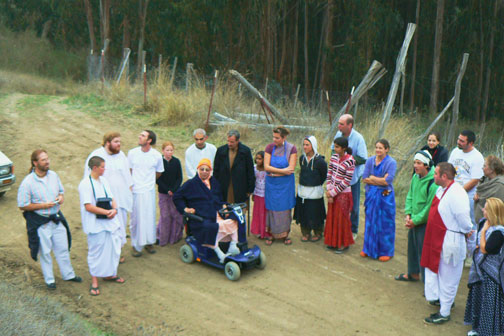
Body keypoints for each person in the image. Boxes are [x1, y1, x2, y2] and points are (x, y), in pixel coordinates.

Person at [17, 149, 82, 289]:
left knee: (63, 248)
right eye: (43, 160)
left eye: (47, 159)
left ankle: (68, 275)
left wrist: (60, 197)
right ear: (35, 163)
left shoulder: (53, 175)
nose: (47, 162)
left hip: (56, 218)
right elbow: (22, 205)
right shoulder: (27, 183)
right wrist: (43, 205)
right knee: (45, 252)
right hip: (41, 222)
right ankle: (49, 280)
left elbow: (61, 191)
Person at [421, 162, 473, 324]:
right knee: (437, 271)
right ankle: (441, 300)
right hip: (438, 237)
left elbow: (464, 221)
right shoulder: (441, 189)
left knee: (448, 276)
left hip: (451, 240)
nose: (433, 175)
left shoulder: (457, 193)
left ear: (444, 176)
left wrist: (468, 230)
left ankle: (444, 312)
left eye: (436, 173)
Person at [173, 159, 240, 263]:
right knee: (210, 226)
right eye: (202, 169)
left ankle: (233, 245)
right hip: (201, 216)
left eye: (207, 170)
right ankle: (219, 253)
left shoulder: (214, 182)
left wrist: (223, 205)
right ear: (198, 169)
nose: (204, 171)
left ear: (210, 171)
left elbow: (220, 198)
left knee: (234, 218)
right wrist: (185, 208)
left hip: (217, 212)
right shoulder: (191, 184)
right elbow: (177, 196)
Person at [79, 156, 125, 296]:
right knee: (96, 251)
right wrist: (107, 212)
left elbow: (112, 198)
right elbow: (88, 206)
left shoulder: (104, 181)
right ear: (94, 168)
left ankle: (109, 274)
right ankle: (94, 281)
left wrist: (114, 210)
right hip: (95, 224)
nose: (105, 169)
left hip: (109, 222)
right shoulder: (85, 184)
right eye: (102, 167)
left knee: (111, 248)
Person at [84, 131, 133, 262]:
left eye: (120, 142)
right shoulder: (96, 156)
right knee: (108, 229)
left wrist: (130, 188)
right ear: (107, 143)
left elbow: (127, 175)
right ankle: (107, 255)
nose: (119, 145)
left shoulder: (121, 155)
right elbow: (89, 180)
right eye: (116, 142)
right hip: (105, 202)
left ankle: (117, 253)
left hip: (120, 199)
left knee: (121, 227)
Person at [395, 150, 438, 283]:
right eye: (414, 162)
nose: (415, 165)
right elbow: (410, 196)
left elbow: (429, 207)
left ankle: (428, 283)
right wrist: (408, 214)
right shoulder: (415, 177)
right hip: (413, 219)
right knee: (412, 247)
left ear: (426, 165)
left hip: (424, 223)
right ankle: (413, 273)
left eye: (418, 163)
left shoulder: (433, 183)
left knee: (424, 252)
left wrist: (416, 220)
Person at [464, 197, 504, 336]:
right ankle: (476, 328)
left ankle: (486, 332)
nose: (483, 210)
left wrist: (484, 232)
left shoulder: (499, 232)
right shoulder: (482, 223)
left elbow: (485, 249)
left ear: (492, 212)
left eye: (486, 208)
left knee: (488, 305)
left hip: (490, 275)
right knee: (477, 299)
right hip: (479, 272)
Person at [128, 130, 164, 257]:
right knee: (136, 218)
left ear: (149, 140)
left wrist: (148, 182)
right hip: (136, 191)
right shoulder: (132, 153)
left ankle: (149, 242)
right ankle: (136, 245)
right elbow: (130, 170)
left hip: (148, 191)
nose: (139, 136)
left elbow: (159, 172)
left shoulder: (157, 155)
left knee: (149, 217)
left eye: (143, 135)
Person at [360, 139, 397, 262]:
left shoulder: (391, 163)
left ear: (386, 149)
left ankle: (386, 251)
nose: (378, 150)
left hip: (386, 195)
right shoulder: (370, 161)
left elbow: (387, 181)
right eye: (376, 147)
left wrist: (373, 178)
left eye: (381, 148)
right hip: (371, 195)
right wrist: (379, 180)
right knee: (370, 220)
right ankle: (368, 249)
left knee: (385, 223)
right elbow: (365, 178)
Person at [333, 114, 368, 240]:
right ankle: (338, 228)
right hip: (338, 177)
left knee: (353, 205)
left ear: (350, 125)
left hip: (352, 178)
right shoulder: (338, 135)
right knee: (338, 203)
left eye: (341, 124)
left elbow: (363, 158)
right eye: (339, 123)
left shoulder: (358, 138)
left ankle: (353, 229)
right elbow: (333, 150)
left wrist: (347, 159)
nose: (339, 126)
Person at [264, 126, 297, 246]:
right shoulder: (269, 147)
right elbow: (266, 167)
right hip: (272, 185)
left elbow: (291, 169)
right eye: (273, 137)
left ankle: (285, 234)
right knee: (272, 209)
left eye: (277, 138)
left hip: (286, 186)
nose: (274, 139)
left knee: (284, 209)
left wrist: (274, 173)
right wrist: (283, 171)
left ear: (284, 137)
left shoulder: (291, 149)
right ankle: (271, 234)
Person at [324, 137, 355, 253]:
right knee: (332, 217)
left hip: (343, 195)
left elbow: (347, 181)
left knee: (342, 218)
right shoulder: (333, 158)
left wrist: (332, 193)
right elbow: (330, 173)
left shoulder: (350, 160)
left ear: (344, 148)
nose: (334, 148)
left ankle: (342, 244)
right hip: (332, 193)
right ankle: (333, 242)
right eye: (334, 146)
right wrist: (329, 189)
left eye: (337, 147)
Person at [294, 136, 327, 242]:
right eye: (303, 144)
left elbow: (323, 176)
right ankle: (305, 232)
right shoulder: (302, 159)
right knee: (304, 212)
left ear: (313, 146)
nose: (304, 147)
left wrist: (315, 185)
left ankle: (318, 232)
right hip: (303, 191)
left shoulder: (320, 161)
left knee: (315, 212)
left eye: (307, 145)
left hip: (315, 193)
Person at [448, 130, 484, 226]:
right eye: (458, 139)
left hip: (468, 196)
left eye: (462, 141)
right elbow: (449, 169)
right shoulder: (455, 152)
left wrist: (459, 192)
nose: (458, 142)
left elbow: (475, 180)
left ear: (470, 143)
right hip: (452, 191)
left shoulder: (477, 157)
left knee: (468, 223)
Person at [213, 129, 255, 205]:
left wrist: (250, 189)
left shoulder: (245, 151)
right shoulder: (220, 151)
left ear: (238, 141)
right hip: (224, 185)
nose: (229, 144)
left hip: (240, 186)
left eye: (232, 142)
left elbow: (250, 171)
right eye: (228, 141)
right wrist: (215, 186)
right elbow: (216, 170)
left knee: (239, 209)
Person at [156, 141, 183, 245]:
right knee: (165, 215)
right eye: (167, 150)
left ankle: (174, 237)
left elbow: (179, 177)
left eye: (171, 150)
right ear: (163, 151)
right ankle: (162, 238)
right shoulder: (159, 162)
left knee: (175, 214)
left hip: (174, 193)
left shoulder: (176, 162)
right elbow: (158, 179)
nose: (169, 152)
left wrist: (174, 189)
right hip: (163, 193)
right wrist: (167, 189)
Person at [473, 155, 504, 224]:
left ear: (492, 170)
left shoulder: (500, 186)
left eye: (484, 166)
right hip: (482, 224)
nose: (482, 168)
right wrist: (476, 196)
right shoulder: (484, 181)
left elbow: (499, 209)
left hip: (495, 226)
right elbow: (480, 193)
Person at [250, 151, 269, 239]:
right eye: (257, 158)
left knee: (265, 213)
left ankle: (265, 231)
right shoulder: (254, 168)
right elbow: (253, 181)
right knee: (257, 213)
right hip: (257, 193)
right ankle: (257, 231)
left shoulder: (268, 169)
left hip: (266, 194)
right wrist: (253, 193)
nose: (258, 160)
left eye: (260, 159)